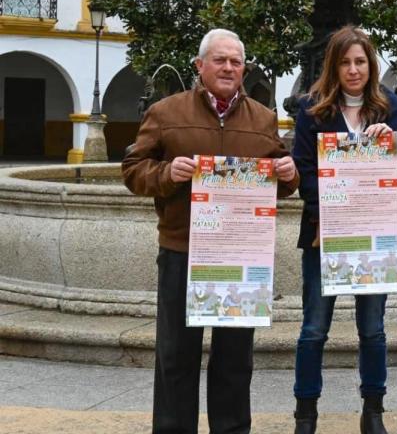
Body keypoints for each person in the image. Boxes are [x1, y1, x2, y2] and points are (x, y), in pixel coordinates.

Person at [122, 28, 298, 434]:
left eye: (236, 61)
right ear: (200, 66)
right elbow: (132, 170)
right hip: (183, 251)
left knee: (236, 360)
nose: (229, 68)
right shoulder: (166, 112)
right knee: (176, 356)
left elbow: (282, 177)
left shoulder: (263, 117)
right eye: (220, 60)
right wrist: (167, 172)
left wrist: (290, 175)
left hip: (240, 256)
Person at [291, 26, 397, 434]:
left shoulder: (391, 108)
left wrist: (394, 144)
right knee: (314, 328)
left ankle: (373, 410)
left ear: (371, 64)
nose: (353, 70)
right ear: (333, 66)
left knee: (373, 328)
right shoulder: (312, 110)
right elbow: (304, 176)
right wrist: (340, 197)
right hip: (323, 234)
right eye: (345, 62)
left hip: (375, 236)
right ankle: (306, 413)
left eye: (360, 61)